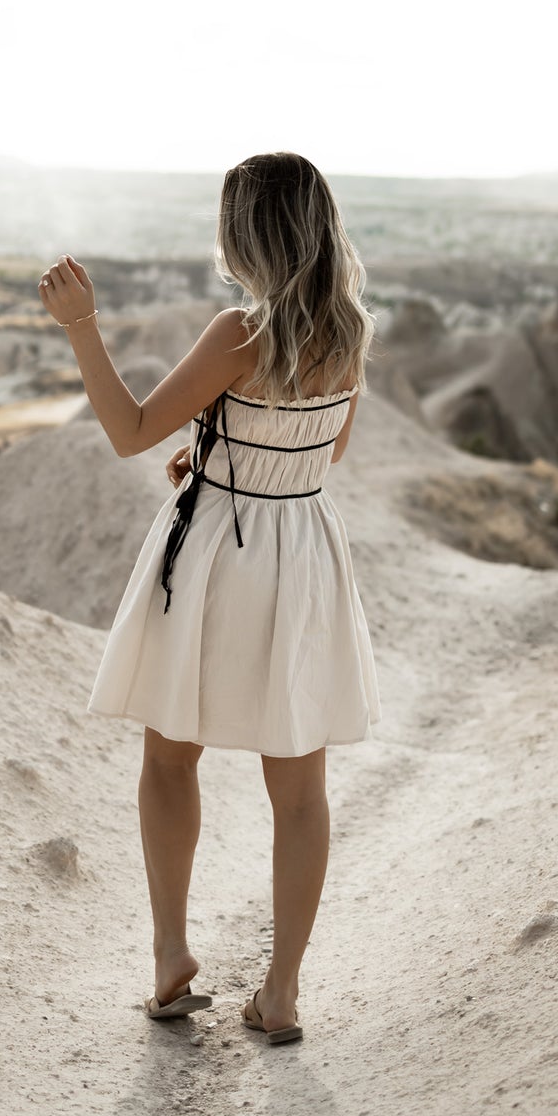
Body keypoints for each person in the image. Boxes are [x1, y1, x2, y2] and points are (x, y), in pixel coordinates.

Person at [37, 152, 380, 1047]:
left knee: (170, 756)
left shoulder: (239, 331)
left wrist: (83, 327)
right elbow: (324, 455)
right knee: (300, 790)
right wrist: (229, 455)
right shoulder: (350, 333)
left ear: (246, 234)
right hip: (301, 549)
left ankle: (169, 957)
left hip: (218, 557)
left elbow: (128, 432)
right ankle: (281, 995)